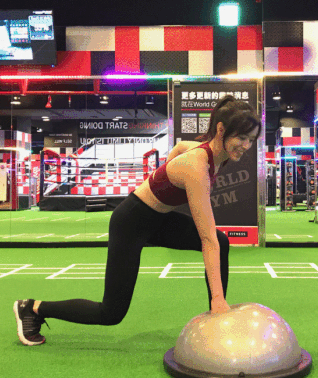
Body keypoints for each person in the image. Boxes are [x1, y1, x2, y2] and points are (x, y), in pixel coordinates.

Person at [14, 95, 261, 345]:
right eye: (241, 138)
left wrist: (163, 175)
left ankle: (215, 322)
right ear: (221, 130)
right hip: (131, 222)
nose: (246, 146)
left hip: (158, 219)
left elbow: (178, 148)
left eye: (251, 139)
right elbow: (207, 239)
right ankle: (32, 308)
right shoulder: (196, 166)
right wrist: (218, 299)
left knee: (222, 240)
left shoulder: (215, 153)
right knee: (111, 313)